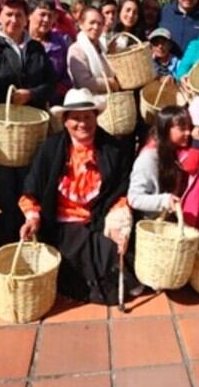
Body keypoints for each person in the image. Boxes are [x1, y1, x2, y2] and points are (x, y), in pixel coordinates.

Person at [18, 88, 136, 305]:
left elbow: (121, 190)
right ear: (64, 121)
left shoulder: (112, 149)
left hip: (98, 219)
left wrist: (119, 222)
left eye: (87, 117)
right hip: (61, 223)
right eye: (75, 118)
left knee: (112, 250)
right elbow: (32, 187)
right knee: (75, 250)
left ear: (96, 117)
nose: (82, 123)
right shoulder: (50, 149)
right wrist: (32, 218)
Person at [0, 0, 58, 243]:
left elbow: (50, 83)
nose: (14, 20)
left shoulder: (35, 48)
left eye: (19, 15)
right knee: (6, 185)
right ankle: (11, 238)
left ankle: (33, 231)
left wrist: (31, 94)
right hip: (2, 132)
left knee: (32, 182)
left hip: (31, 131)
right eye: (8, 14)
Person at [128, 99, 199, 235]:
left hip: (172, 219)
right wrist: (164, 200)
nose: (189, 133)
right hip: (155, 224)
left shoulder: (177, 150)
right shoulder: (150, 157)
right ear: (166, 129)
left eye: (189, 128)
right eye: (183, 128)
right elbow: (134, 198)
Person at [67, 6, 121, 94]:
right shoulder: (76, 50)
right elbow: (84, 83)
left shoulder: (103, 48)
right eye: (92, 23)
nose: (96, 27)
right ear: (81, 24)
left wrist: (113, 55)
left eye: (99, 24)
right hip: (89, 101)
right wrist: (110, 82)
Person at [28, 0, 72, 96]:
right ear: (29, 14)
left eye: (50, 15)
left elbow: (66, 75)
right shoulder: (21, 41)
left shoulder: (59, 42)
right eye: (42, 14)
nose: (47, 20)